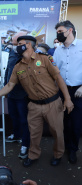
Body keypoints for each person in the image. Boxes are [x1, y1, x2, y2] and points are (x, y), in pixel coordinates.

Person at [0, 35, 74, 167]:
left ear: (29, 45)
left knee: (57, 132)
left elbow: (58, 78)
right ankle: (33, 155)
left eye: (19, 44)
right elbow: (9, 86)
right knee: (34, 134)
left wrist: (68, 99)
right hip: (34, 105)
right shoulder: (18, 66)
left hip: (52, 103)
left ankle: (58, 154)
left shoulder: (45, 59)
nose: (17, 46)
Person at [53, 20, 82, 164]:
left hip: (79, 92)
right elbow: (55, 72)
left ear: (70, 30)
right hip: (61, 91)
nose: (58, 34)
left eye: (60, 31)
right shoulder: (58, 50)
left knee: (76, 124)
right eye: (57, 32)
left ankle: (73, 150)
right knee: (62, 123)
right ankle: (61, 149)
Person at [4, 32, 30, 159]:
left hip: (22, 94)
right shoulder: (12, 52)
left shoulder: (27, 55)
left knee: (24, 119)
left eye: (17, 43)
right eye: (15, 43)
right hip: (11, 93)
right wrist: (5, 87)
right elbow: (8, 70)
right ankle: (16, 135)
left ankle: (25, 143)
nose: (15, 45)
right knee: (13, 115)